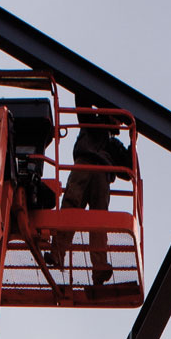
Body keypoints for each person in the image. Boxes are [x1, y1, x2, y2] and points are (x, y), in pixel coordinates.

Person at [51, 95, 133, 287]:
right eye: (116, 118)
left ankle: (99, 268)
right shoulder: (91, 122)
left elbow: (129, 171)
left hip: (102, 174)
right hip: (85, 165)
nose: (117, 123)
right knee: (71, 206)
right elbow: (81, 99)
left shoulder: (114, 145)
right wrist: (102, 101)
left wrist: (132, 139)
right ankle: (57, 253)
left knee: (99, 221)